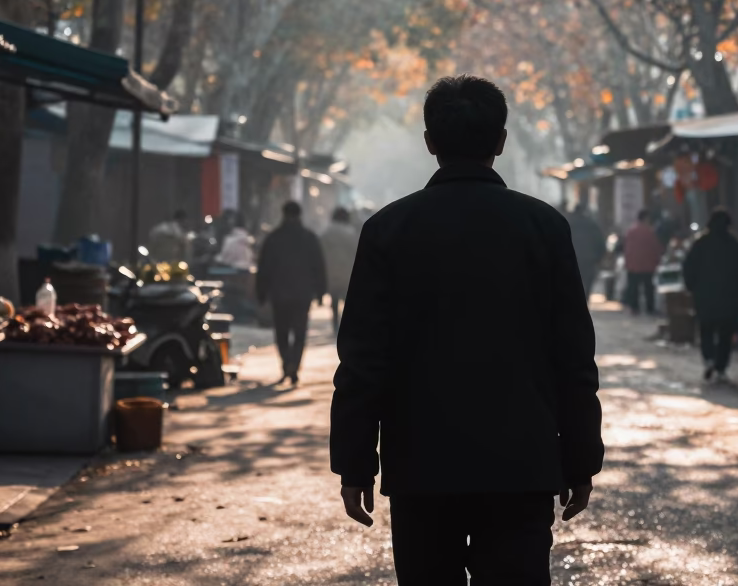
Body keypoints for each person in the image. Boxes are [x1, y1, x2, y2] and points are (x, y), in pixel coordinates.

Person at [331, 75, 604, 586]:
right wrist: (581, 457)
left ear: (430, 141)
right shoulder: (543, 227)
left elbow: (364, 361)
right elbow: (572, 356)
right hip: (521, 464)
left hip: (421, 466)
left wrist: (354, 464)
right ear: (501, 141)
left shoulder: (388, 229)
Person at [256, 201, 327, 386]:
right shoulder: (309, 238)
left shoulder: (273, 238)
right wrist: (320, 292)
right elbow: (318, 267)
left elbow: (264, 268)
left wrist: (261, 293)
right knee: (300, 332)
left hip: (280, 294)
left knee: (281, 332)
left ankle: (286, 362)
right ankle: (294, 366)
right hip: (302, 294)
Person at [683, 208, 738, 383]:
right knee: (725, 334)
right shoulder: (736, 245)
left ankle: (709, 360)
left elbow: (688, 269)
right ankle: (721, 367)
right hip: (729, 299)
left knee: (706, 330)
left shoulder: (700, 244)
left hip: (704, 298)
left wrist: (692, 288)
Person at [321, 207, 358, 335]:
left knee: (334, 300)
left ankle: (335, 325)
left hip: (331, 273)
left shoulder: (326, 233)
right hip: (348, 273)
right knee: (348, 301)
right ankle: (348, 325)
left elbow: (321, 253)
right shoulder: (351, 233)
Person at [624, 209, 664, 315]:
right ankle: (649, 308)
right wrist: (657, 260)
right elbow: (656, 248)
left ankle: (634, 307)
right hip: (647, 265)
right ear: (646, 218)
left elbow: (627, 248)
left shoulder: (631, 231)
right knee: (648, 288)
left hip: (633, 264)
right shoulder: (650, 231)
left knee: (634, 287)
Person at [567, 202, 606, 299]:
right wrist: (599, 257)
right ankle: (585, 300)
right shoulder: (592, 224)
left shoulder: (566, 222)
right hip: (589, 259)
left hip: (571, 258)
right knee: (587, 281)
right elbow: (600, 242)